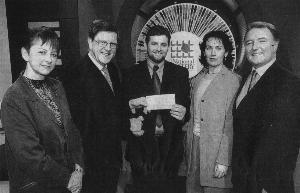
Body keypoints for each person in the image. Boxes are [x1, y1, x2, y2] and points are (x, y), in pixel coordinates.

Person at [1, 27, 84, 193]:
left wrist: (79, 168)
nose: (49, 59)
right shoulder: (13, 97)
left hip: (66, 181)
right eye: (42, 52)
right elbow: (29, 156)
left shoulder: (56, 85)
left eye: (53, 54)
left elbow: (71, 130)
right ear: (25, 54)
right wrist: (68, 179)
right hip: (36, 186)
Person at [232, 21, 300, 193]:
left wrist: (267, 186)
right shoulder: (246, 77)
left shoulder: (289, 83)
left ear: (275, 45)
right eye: (249, 42)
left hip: (266, 184)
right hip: (243, 180)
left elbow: (284, 143)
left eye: (261, 41)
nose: (255, 47)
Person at [122, 25, 190, 193]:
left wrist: (184, 113)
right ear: (146, 45)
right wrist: (130, 114)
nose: (158, 49)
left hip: (170, 150)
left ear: (168, 46)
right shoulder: (130, 73)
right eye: (154, 44)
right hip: (141, 149)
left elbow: (186, 106)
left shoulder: (180, 73)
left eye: (163, 44)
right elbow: (121, 107)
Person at [65, 19, 125, 193]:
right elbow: (77, 127)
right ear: (90, 42)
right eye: (102, 42)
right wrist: (78, 167)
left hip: (111, 160)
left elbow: (113, 109)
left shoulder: (112, 69)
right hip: (90, 164)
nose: (108, 48)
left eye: (113, 44)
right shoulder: (76, 75)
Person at [184, 31, 240, 193]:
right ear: (203, 51)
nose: (213, 52)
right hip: (194, 148)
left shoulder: (233, 81)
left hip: (216, 152)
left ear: (226, 52)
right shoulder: (197, 79)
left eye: (218, 48)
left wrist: (223, 160)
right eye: (208, 48)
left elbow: (230, 124)